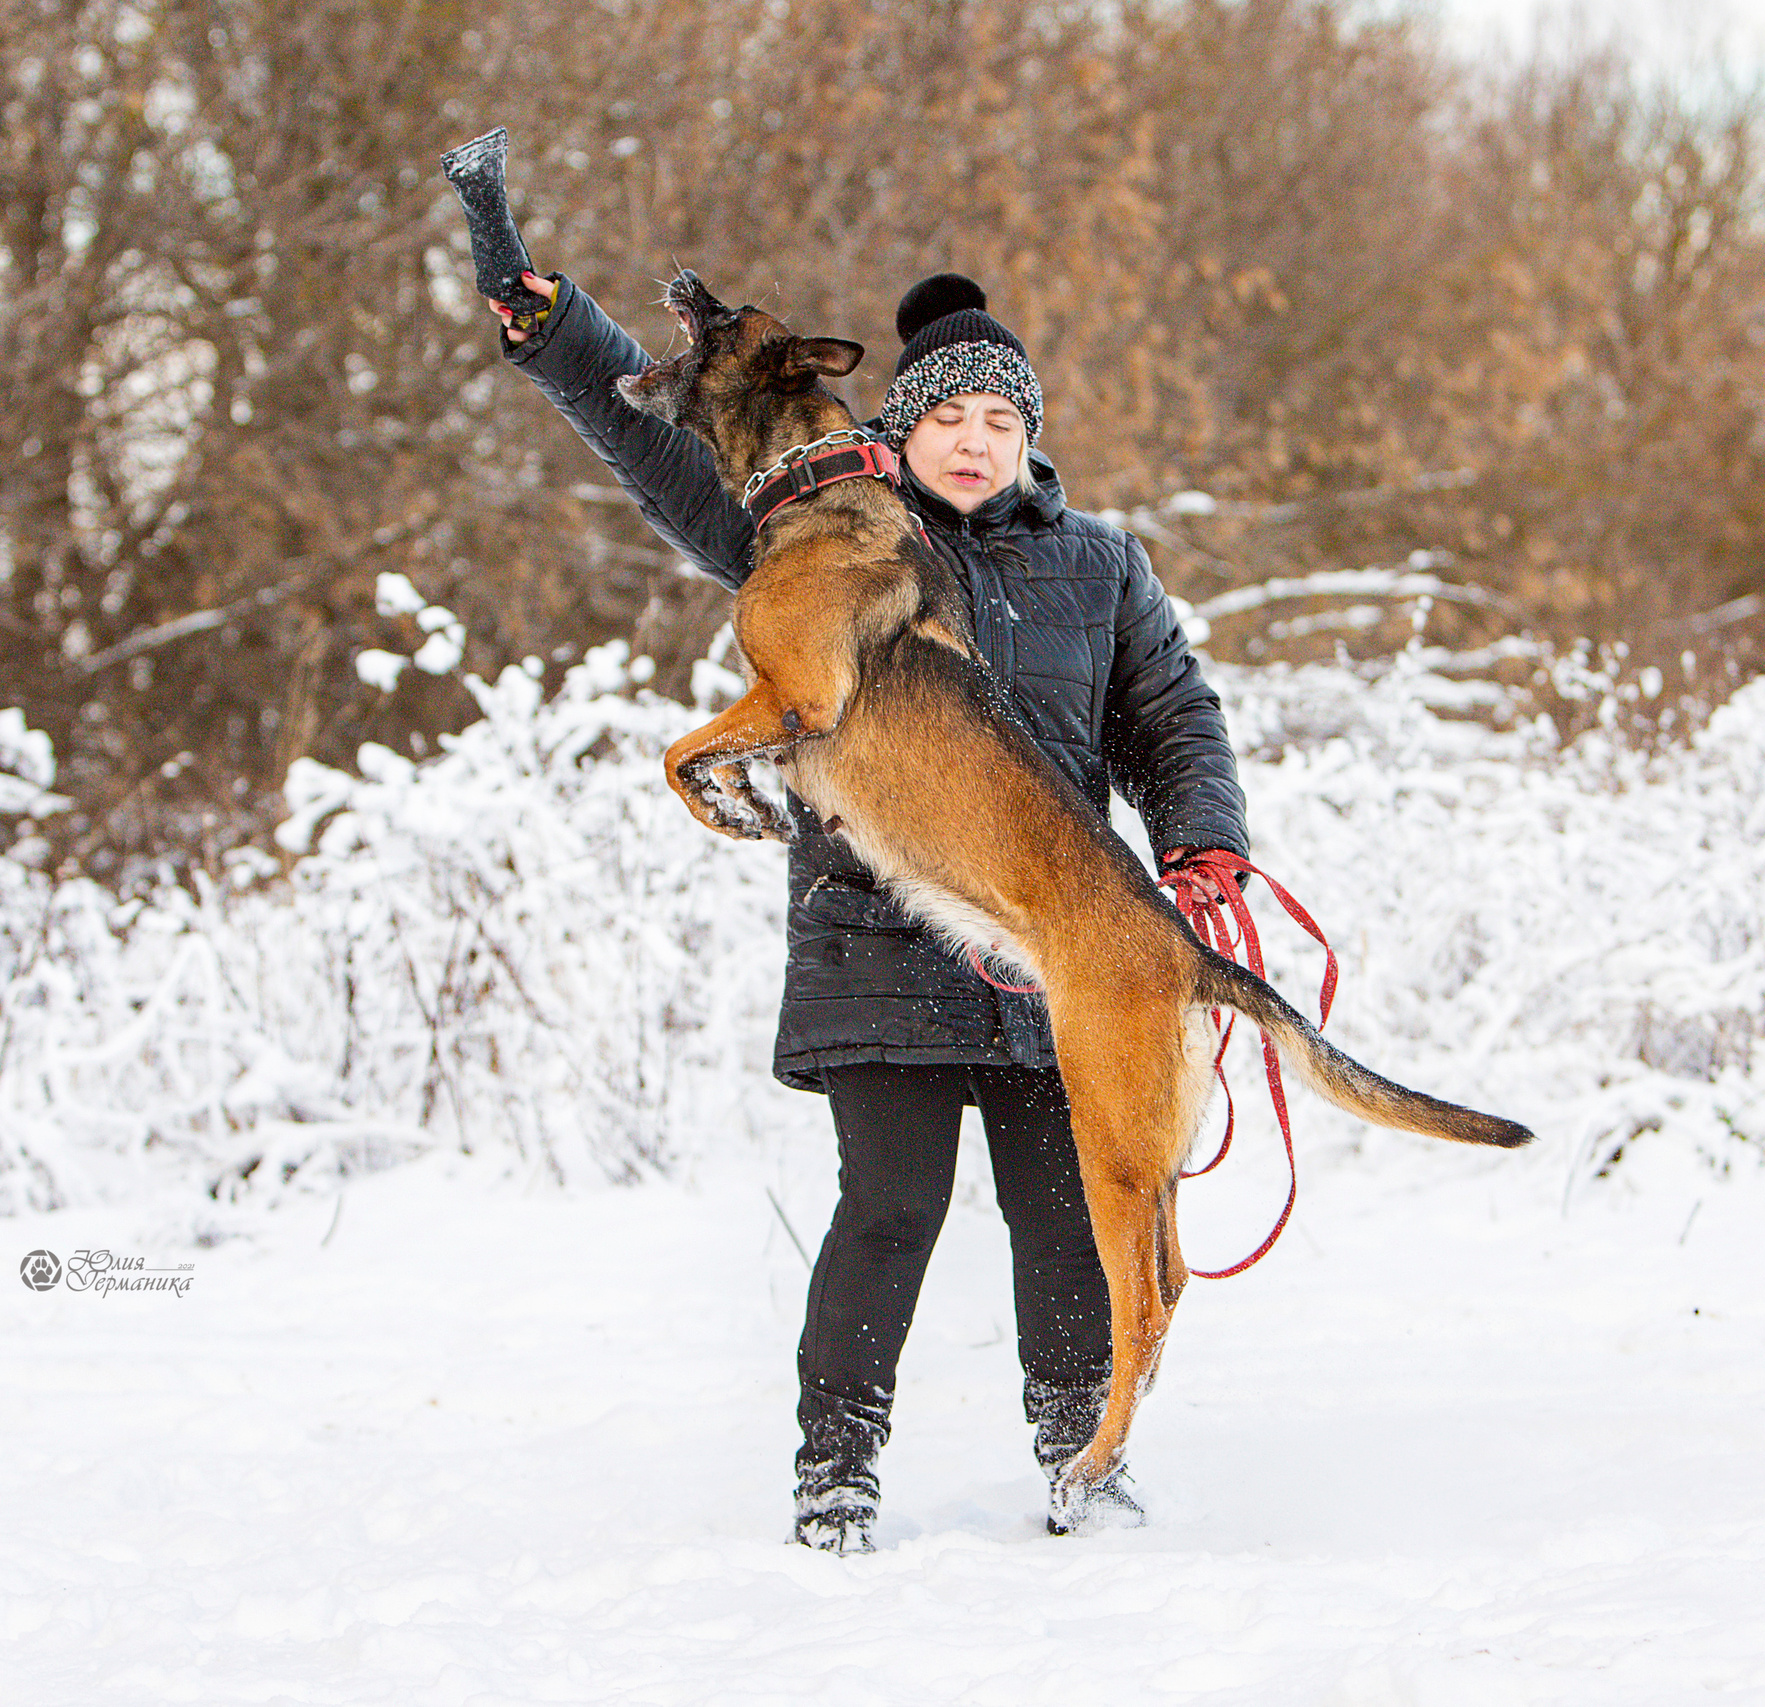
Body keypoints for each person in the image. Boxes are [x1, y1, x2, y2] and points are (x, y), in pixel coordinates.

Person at [488, 265, 1249, 1552]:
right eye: (948, 417)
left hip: (1038, 934)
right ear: (901, 423)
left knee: (1062, 1216)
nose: (974, 442)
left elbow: (1172, 719)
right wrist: (563, 334)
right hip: (873, 939)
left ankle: (1082, 1455)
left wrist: (1203, 842)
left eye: (1000, 421)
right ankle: (835, 1471)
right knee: (888, 1209)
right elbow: (657, 447)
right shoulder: (820, 528)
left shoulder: (1099, 565)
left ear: (1029, 436)